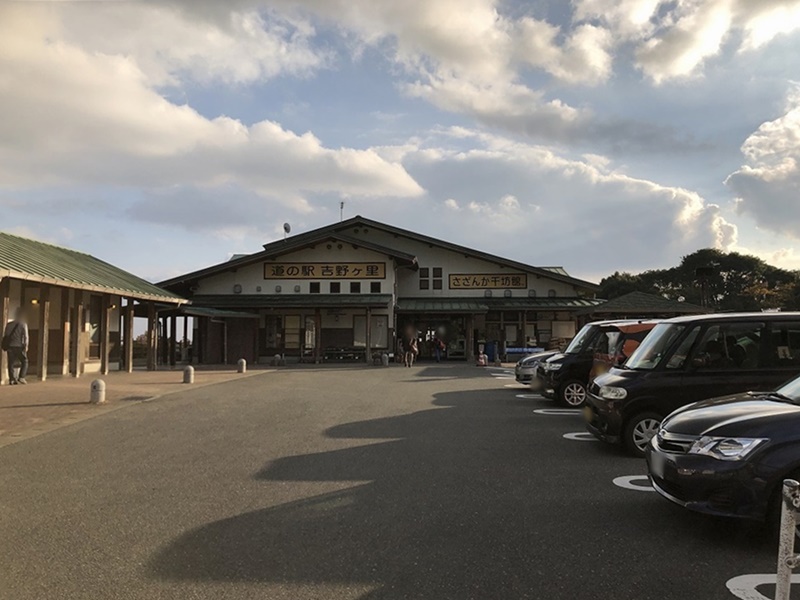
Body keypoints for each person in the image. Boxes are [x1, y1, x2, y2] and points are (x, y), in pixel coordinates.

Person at [4, 308, 29, 384]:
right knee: (25, 361)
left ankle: (11, 379)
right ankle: (21, 377)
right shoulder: (23, 324)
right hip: (19, 346)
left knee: (11, 363)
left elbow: (6, 335)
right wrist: (26, 345)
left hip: (10, 346)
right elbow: (25, 336)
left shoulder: (9, 324)